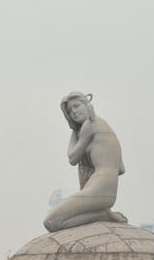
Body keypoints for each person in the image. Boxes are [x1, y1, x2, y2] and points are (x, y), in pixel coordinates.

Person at [44, 91, 127, 232]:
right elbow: (121, 169)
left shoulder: (90, 124)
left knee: (52, 222)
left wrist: (73, 130)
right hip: (109, 189)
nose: (74, 112)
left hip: (98, 187)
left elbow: (72, 158)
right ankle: (101, 213)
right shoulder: (103, 125)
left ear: (88, 105)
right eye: (70, 111)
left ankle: (103, 214)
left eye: (77, 106)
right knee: (55, 222)